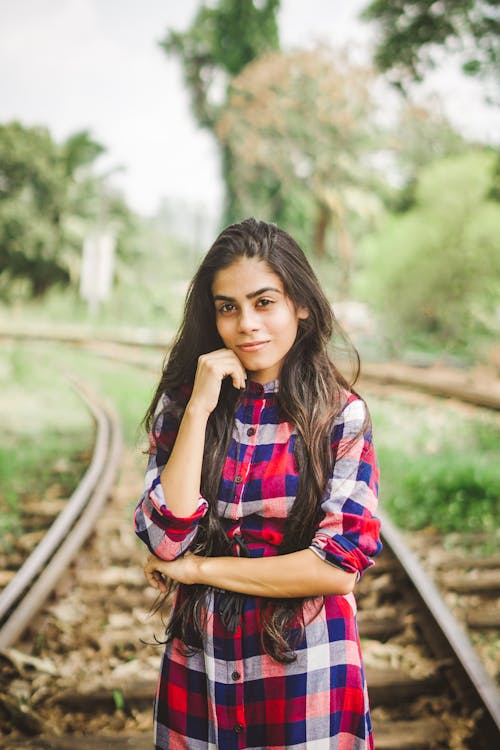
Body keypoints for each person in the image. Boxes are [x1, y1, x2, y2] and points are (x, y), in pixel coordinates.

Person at [135, 218, 382, 750]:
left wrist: (200, 569)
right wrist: (201, 405)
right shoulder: (182, 409)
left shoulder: (341, 417)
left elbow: (336, 569)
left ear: (301, 305)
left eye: (264, 301)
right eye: (228, 307)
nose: (246, 323)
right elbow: (165, 539)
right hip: (202, 668)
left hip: (307, 671)